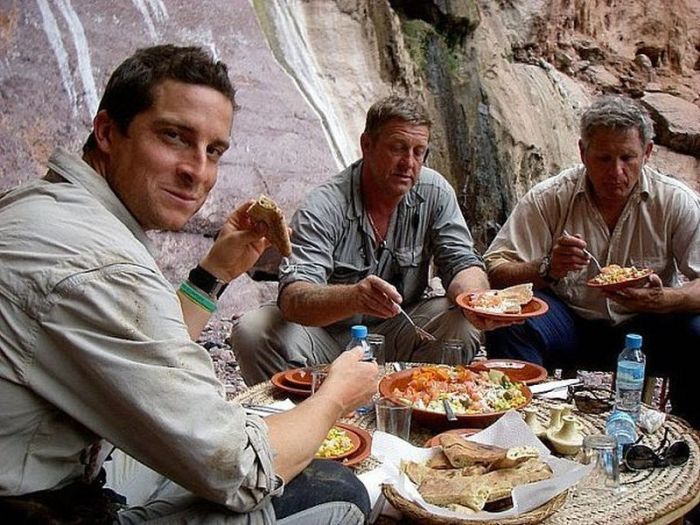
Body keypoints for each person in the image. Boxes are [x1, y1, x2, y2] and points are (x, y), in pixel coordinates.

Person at [0, 44, 378, 524]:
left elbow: (143, 358)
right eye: (175, 137)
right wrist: (336, 395)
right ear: (108, 132)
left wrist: (213, 274)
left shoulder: (44, 206)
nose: (197, 170)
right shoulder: (99, 263)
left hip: (52, 470)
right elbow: (240, 469)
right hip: (41, 508)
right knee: (335, 492)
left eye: (213, 151)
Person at [231, 95, 508, 386]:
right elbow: (293, 298)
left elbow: (461, 261)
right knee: (253, 331)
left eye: (418, 152)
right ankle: (302, 409)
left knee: (459, 319)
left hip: (402, 332)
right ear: (367, 145)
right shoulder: (324, 205)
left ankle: (422, 402)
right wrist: (353, 297)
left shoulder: (435, 191)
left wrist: (477, 302)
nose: (409, 163)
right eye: (397, 148)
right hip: (326, 341)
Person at [483, 95, 699, 428]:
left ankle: (689, 437)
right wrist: (547, 268)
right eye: (603, 158)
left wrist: (665, 299)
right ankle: (517, 428)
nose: (616, 171)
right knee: (513, 321)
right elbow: (495, 269)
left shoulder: (674, 201)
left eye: (628, 158)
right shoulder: (552, 196)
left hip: (648, 325)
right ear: (583, 153)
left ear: (647, 153)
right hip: (570, 321)